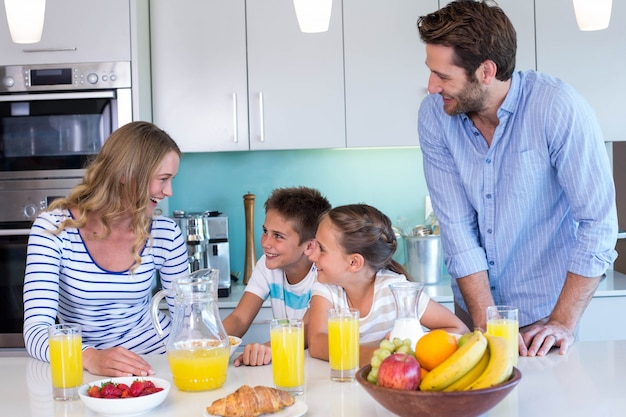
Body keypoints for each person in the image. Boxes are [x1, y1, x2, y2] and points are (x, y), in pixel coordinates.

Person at [416, 0, 618, 357]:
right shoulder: (435, 117)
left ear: (486, 70)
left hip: (547, 316)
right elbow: (457, 228)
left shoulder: (557, 107)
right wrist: (487, 325)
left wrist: (562, 322)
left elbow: (597, 224)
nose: (432, 87)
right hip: (475, 310)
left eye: (444, 76)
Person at [23, 121, 190, 377]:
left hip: (157, 363)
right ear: (126, 174)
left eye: (172, 180)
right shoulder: (54, 230)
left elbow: (187, 319)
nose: (169, 192)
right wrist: (90, 358)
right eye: (163, 180)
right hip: (86, 370)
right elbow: (36, 330)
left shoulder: (165, 233)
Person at [307, 204, 469, 366]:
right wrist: (376, 354)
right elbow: (316, 342)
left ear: (354, 262)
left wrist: (411, 342)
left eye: (321, 249)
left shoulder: (396, 290)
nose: (311, 255)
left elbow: (459, 329)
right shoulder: (326, 286)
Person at [222, 186, 331, 366]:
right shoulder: (267, 265)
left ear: (309, 246)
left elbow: (305, 330)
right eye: (265, 231)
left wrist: (269, 348)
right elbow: (239, 318)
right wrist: (210, 346)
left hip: (318, 370)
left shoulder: (323, 273)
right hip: (288, 365)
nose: (266, 243)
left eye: (278, 236)